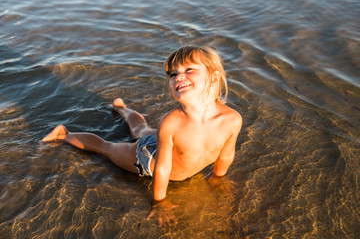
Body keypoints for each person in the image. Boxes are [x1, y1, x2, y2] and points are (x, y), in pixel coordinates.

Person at [42, 45, 243, 226]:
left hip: (158, 140)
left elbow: (226, 153)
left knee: (141, 130)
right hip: (145, 157)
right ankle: (64, 134)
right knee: (107, 148)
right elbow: (163, 168)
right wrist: (160, 202)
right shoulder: (171, 122)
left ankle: (122, 108)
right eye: (173, 74)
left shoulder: (232, 119)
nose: (178, 76)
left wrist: (218, 177)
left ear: (214, 77)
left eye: (189, 70)